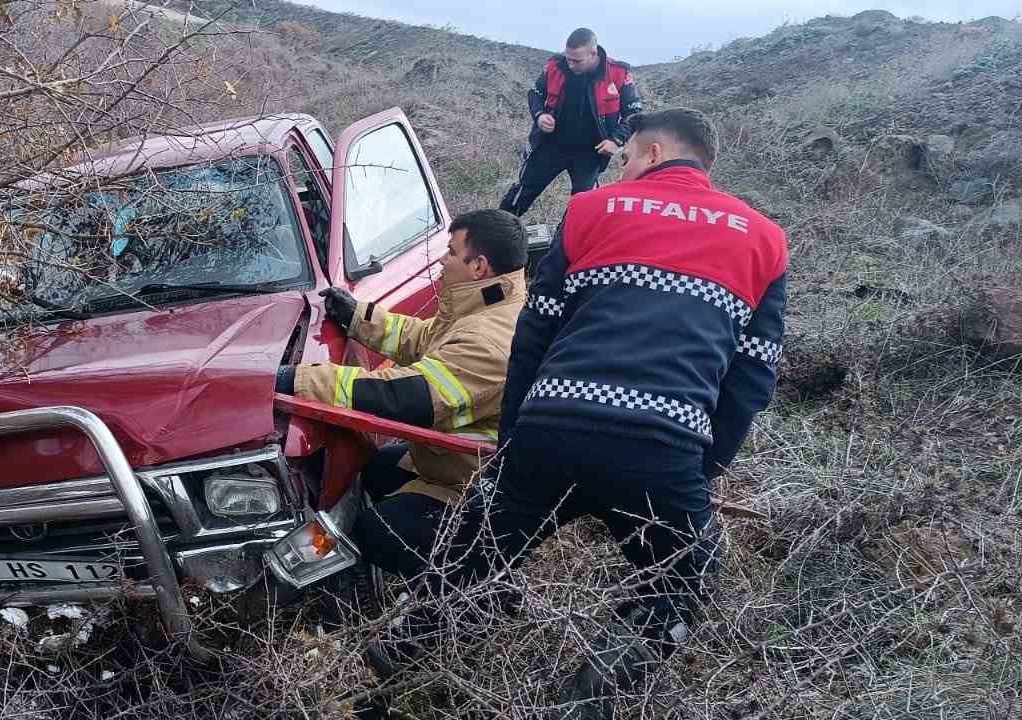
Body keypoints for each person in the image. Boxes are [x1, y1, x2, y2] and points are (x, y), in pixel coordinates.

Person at [460, 108, 787, 719]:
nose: (622, 167)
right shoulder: (765, 239)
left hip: (549, 428)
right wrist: (704, 466)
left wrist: (514, 439)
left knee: (468, 559)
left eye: (627, 157)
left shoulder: (590, 209)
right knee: (681, 583)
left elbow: (535, 330)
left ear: (655, 153)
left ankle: (383, 675)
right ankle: (585, 707)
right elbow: (753, 376)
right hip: (663, 451)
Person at [274, 209, 527, 579]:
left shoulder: (490, 340)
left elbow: (407, 397)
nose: (443, 260)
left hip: (477, 486)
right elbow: (424, 339)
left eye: (452, 252)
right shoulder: (488, 304)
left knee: (379, 533)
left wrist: (297, 380)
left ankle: (451, 598)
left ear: (479, 266)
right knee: (374, 469)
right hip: (454, 464)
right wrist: (358, 316)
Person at [499, 28, 643, 217]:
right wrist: (540, 115)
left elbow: (633, 112)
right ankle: (494, 233)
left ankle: (564, 242)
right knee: (522, 192)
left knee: (581, 206)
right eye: (568, 59)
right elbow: (535, 93)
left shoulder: (618, 72)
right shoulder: (555, 66)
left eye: (577, 60)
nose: (571, 64)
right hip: (549, 146)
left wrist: (616, 140)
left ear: (593, 53)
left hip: (590, 153)